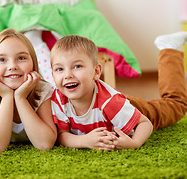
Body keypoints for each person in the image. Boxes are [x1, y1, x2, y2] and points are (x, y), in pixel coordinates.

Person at [50, 32, 187, 150]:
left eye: (77, 66)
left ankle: (168, 48)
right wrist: (84, 141)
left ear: (96, 71)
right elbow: (62, 135)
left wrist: (134, 143)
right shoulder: (59, 98)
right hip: (112, 109)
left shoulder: (111, 102)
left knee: (176, 104)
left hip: (129, 108)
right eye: (59, 69)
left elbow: (145, 124)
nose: (67, 75)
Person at [0, 28, 57, 153]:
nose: (12, 66)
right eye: (1, 60)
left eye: (21, 58)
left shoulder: (43, 90)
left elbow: (45, 144)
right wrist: (7, 97)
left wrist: (20, 98)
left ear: (33, 62)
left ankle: (34, 36)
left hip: (41, 81)